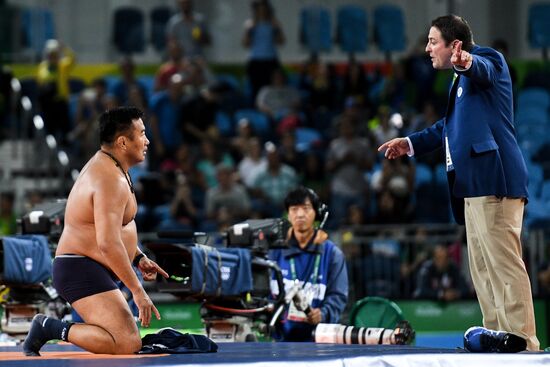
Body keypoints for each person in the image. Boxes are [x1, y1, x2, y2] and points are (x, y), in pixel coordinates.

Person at [378, 15, 539, 351]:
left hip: (495, 180)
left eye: (433, 41)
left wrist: (468, 63)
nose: (427, 48)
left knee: (504, 263)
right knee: (482, 269)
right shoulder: (458, 85)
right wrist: (409, 144)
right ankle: (499, 338)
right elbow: (446, 128)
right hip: (472, 188)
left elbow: (484, 68)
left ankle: (524, 341)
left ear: (456, 45)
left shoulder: (487, 60)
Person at [23, 107, 169, 356]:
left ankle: (52, 327)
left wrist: (137, 257)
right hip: (79, 268)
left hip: (92, 265)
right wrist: (138, 291)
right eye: (142, 134)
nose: (147, 140)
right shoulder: (108, 178)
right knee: (126, 344)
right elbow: (108, 243)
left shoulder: (115, 168)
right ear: (123, 141)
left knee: (127, 340)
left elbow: (116, 229)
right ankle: (48, 327)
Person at [269, 187, 348, 342]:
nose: (300, 214)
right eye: (294, 209)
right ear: (288, 214)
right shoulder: (274, 252)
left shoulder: (332, 254)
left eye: (305, 209)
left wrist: (323, 313)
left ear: (316, 214)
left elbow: (338, 296)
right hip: (280, 341)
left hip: (319, 340)